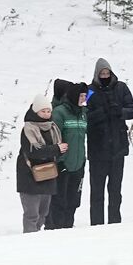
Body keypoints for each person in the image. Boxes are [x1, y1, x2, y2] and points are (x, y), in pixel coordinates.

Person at [86, 59, 133, 225]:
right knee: (97, 192)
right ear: (97, 74)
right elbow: (85, 115)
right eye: (102, 74)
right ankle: (97, 224)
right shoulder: (90, 91)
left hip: (117, 148)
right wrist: (101, 113)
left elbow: (132, 110)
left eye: (107, 73)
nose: (105, 76)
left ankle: (115, 222)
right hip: (97, 150)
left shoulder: (121, 88)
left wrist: (119, 111)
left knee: (115, 191)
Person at [18, 95, 66, 233]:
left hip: (48, 174)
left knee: (43, 213)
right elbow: (34, 151)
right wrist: (56, 149)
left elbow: (54, 149)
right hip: (29, 175)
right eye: (43, 111)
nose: (46, 114)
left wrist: (60, 150)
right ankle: (29, 238)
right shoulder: (28, 129)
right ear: (36, 111)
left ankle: (36, 237)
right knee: (31, 214)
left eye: (48, 111)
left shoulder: (53, 127)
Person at [49, 83, 88, 228]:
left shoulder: (84, 113)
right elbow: (54, 138)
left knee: (73, 201)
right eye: (81, 96)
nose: (84, 98)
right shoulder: (60, 113)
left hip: (78, 165)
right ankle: (56, 229)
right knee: (59, 201)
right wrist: (60, 160)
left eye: (85, 96)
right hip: (63, 165)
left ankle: (68, 229)